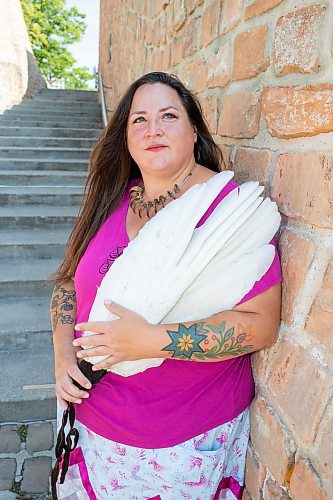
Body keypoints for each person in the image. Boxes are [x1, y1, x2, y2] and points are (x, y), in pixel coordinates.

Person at [51, 72, 281, 499]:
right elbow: (69, 281)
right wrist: (63, 347)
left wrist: (151, 342)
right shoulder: (115, 196)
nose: (152, 129)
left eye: (168, 115)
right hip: (89, 423)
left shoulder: (227, 211)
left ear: (194, 130)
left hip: (178, 447)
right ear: (125, 137)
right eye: (139, 119)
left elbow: (261, 326)